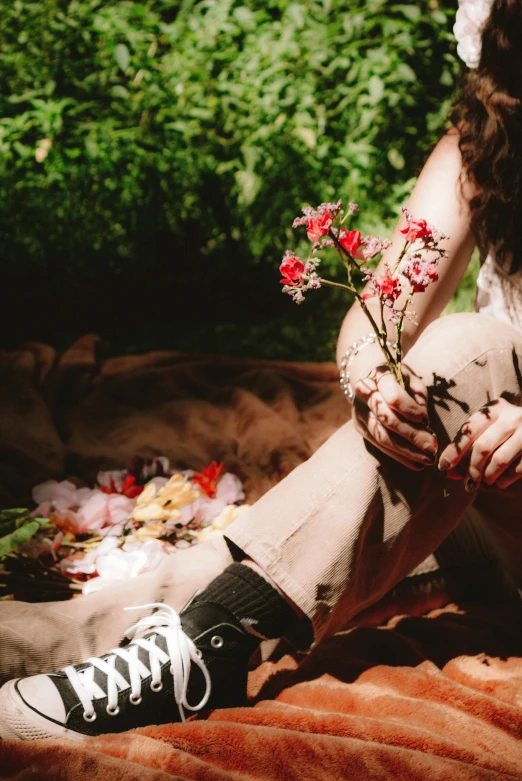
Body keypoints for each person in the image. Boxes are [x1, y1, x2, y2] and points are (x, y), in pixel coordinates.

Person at [1, 0, 522, 742]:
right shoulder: (484, 149)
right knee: (263, 558)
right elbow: (379, 314)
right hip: (490, 508)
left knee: (466, 349)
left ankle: (207, 645)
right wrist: (370, 381)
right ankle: (72, 648)